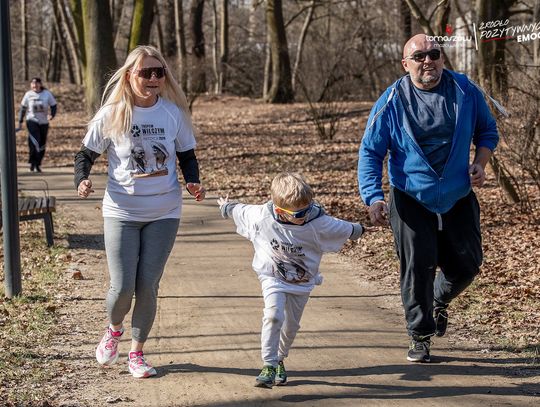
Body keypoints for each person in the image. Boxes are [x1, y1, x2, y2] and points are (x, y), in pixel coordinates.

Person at [357, 34, 500, 363]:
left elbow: (488, 131)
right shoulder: (392, 100)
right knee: (417, 267)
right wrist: (373, 197)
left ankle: (438, 301)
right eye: (419, 56)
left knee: (467, 266)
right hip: (410, 196)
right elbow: (370, 152)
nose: (428, 61)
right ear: (405, 64)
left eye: (434, 54)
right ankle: (420, 335)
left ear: (442, 58)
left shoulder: (464, 90)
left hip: (458, 194)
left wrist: (480, 163)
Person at [74, 45, 206, 378]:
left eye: (159, 72)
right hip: (122, 211)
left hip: (164, 210)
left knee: (148, 285)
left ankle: (136, 353)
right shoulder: (112, 113)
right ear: (130, 75)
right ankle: (114, 329)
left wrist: (193, 181)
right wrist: (82, 180)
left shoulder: (173, 113)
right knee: (122, 287)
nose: (153, 78)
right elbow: (85, 155)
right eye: (146, 72)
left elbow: (187, 156)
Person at [218, 172, 370, 387]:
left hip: (302, 283)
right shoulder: (262, 216)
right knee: (273, 316)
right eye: (299, 213)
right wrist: (226, 207)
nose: (305, 215)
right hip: (272, 278)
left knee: (290, 327)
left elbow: (348, 228)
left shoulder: (319, 223)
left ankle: (280, 358)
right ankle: (269, 364)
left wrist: (361, 229)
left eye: (308, 209)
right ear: (280, 210)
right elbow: (239, 210)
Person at [17, 77, 57, 172]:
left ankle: (37, 163)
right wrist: (20, 120)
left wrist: (52, 115)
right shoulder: (28, 94)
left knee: (42, 144)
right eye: (33, 83)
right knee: (35, 141)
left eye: (36, 83)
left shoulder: (47, 94)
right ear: (31, 85)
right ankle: (32, 162)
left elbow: (53, 105)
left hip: (44, 122)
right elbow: (23, 108)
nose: (34, 85)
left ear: (40, 84)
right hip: (31, 120)